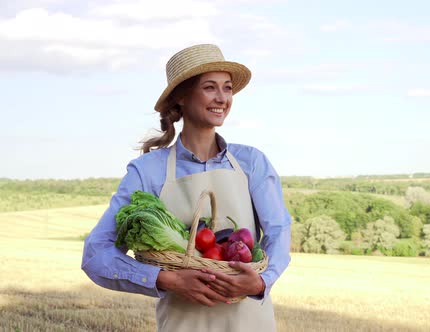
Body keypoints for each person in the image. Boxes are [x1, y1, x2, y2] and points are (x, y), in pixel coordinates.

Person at [81, 44, 291, 331]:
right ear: (181, 97)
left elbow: (279, 230)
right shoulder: (148, 171)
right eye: (210, 88)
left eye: (227, 88)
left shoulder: (251, 162)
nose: (222, 98)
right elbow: (96, 254)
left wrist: (261, 281)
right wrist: (166, 279)